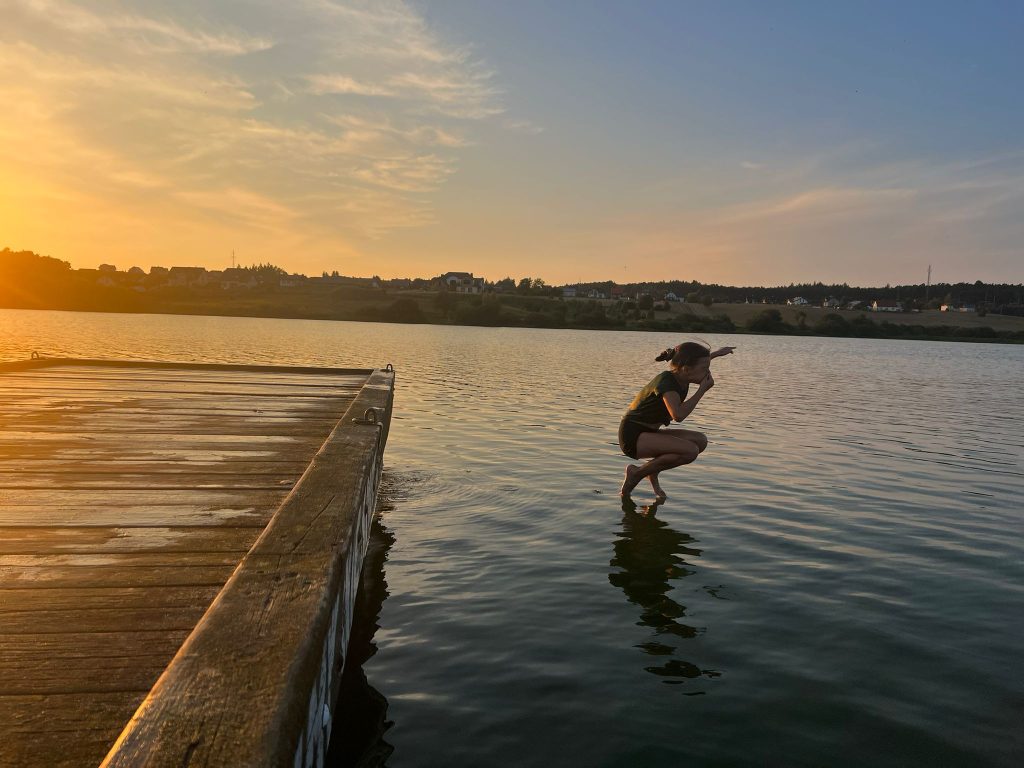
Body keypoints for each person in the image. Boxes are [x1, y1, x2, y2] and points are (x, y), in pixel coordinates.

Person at [618, 341, 735, 497]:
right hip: (632, 437)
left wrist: (717, 353)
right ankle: (637, 473)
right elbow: (678, 415)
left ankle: (652, 470)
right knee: (690, 451)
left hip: (649, 432)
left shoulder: (683, 374)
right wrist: (702, 390)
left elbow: (696, 364)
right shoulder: (667, 382)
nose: (708, 372)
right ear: (686, 369)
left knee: (700, 441)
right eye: (705, 369)